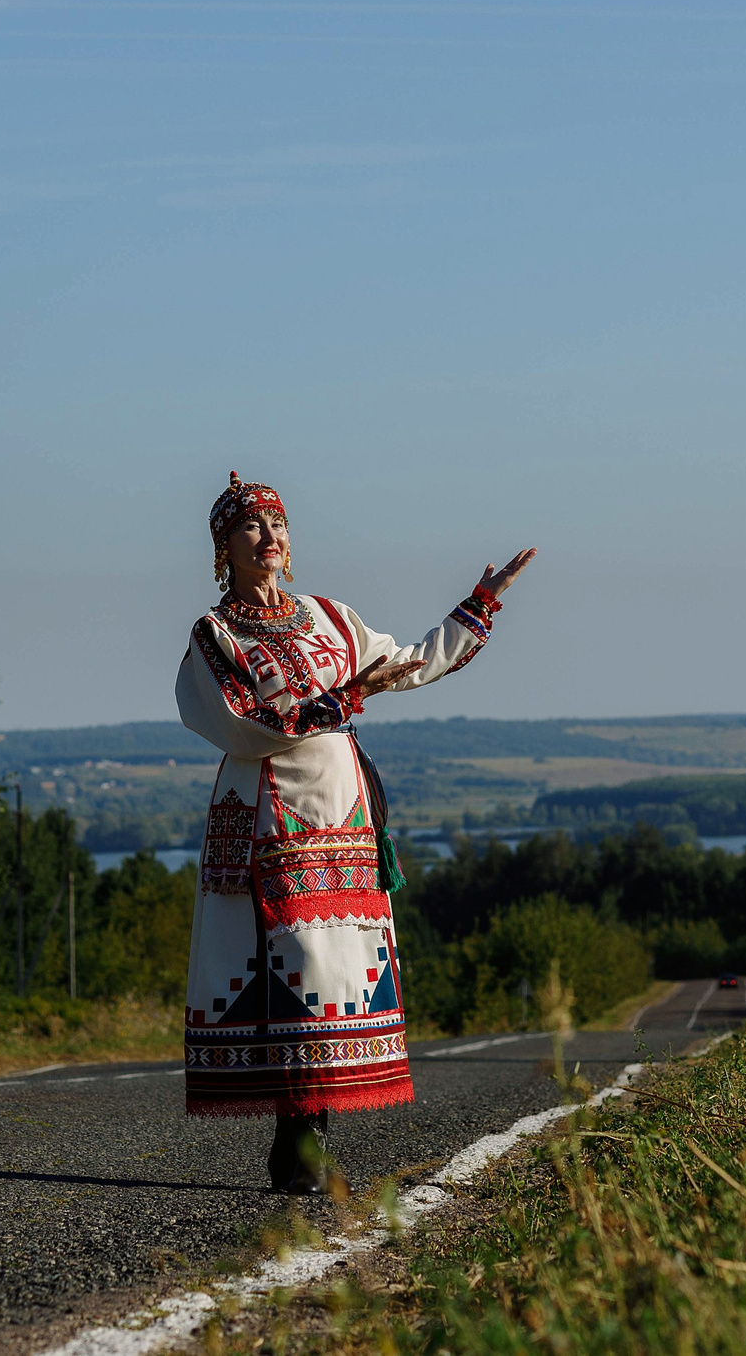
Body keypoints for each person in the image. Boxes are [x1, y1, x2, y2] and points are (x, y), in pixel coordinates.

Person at [175, 472, 535, 1193]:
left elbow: (405, 663)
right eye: (249, 527)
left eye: (276, 523)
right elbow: (246, 721)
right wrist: (341, 699)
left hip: (343, 815)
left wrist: (480, 604)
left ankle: (306, 1140)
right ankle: (298, 1142)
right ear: (225, 547)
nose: (268, 536)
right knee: (298, 972)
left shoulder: (329, 618)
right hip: (270, 817)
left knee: (337, 977)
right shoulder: (216, 635)